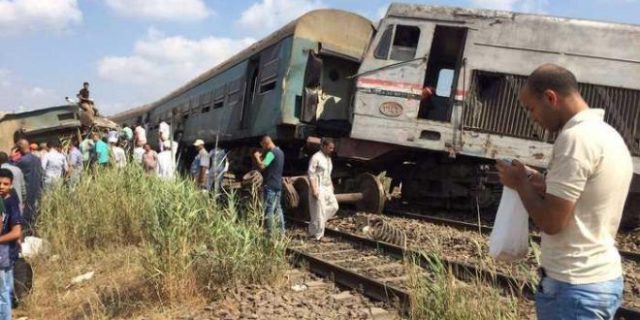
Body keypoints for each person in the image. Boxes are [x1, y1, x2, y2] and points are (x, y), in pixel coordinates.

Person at [496, 64, 632, 320]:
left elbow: (552, 222)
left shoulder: (575, 140)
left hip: (574, 288)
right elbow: (588, 199)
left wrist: (520, 184)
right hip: (598, 279)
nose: (532, 117)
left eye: (531, 108)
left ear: (550, 98)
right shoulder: (607, 134)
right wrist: (544, 184)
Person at [0, 169, 24, 320]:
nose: (1, 186)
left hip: (4, 254)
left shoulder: (10, 203)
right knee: (6, 289)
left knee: (2, 294)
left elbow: (16, 232)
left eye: (5, 184)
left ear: (11, 185)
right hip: (7, 254)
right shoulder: (4, 201)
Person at [252, 135, 285, 234]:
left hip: (270, 185)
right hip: (278, 184)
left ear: (265, 143)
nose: (262, 148)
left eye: (262, 145)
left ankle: (270, 232)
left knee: (269, 209)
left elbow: (262, 166)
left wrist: (257, 157)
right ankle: (281, 231)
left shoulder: (272, 153)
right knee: (278, 208)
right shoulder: (280, 152)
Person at [307, 138, 339, 241]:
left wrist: (332, 186)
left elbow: (328, 174)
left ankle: (315, 225)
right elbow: (311, 174)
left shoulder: (328, 159)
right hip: (318, 186)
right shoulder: (316, 157)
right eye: (330, 148)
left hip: (327, 187)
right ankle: (318, 236)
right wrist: (314, 189)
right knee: (319, 212)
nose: (332, 150)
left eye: (333, 148)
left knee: (334, 206)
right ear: (324, 146)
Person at [15, 139, 42, 231]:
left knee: (27, 213)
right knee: (36, 210)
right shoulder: (37, 159)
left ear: (20, 148)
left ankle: (28, 230)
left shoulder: (22, 161)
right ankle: (36, 229)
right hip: (38, 188)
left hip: (28, 189)